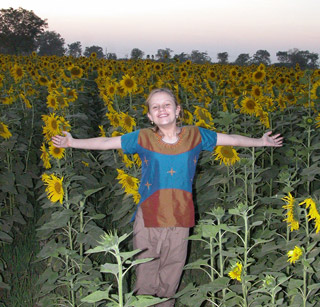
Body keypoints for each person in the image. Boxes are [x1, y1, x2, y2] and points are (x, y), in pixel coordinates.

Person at [52, 88, 283, 306]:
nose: (162, 109)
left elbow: (231, 139)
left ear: (178, 109)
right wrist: (72, 142)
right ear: (150, 116)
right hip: (150, 214)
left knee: (172, 270)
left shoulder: (195, 135)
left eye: (167, 104)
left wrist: (261, 141)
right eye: (155, 107)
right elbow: (105, 143)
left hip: (181, 215)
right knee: (146, 269)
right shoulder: (142, 138)